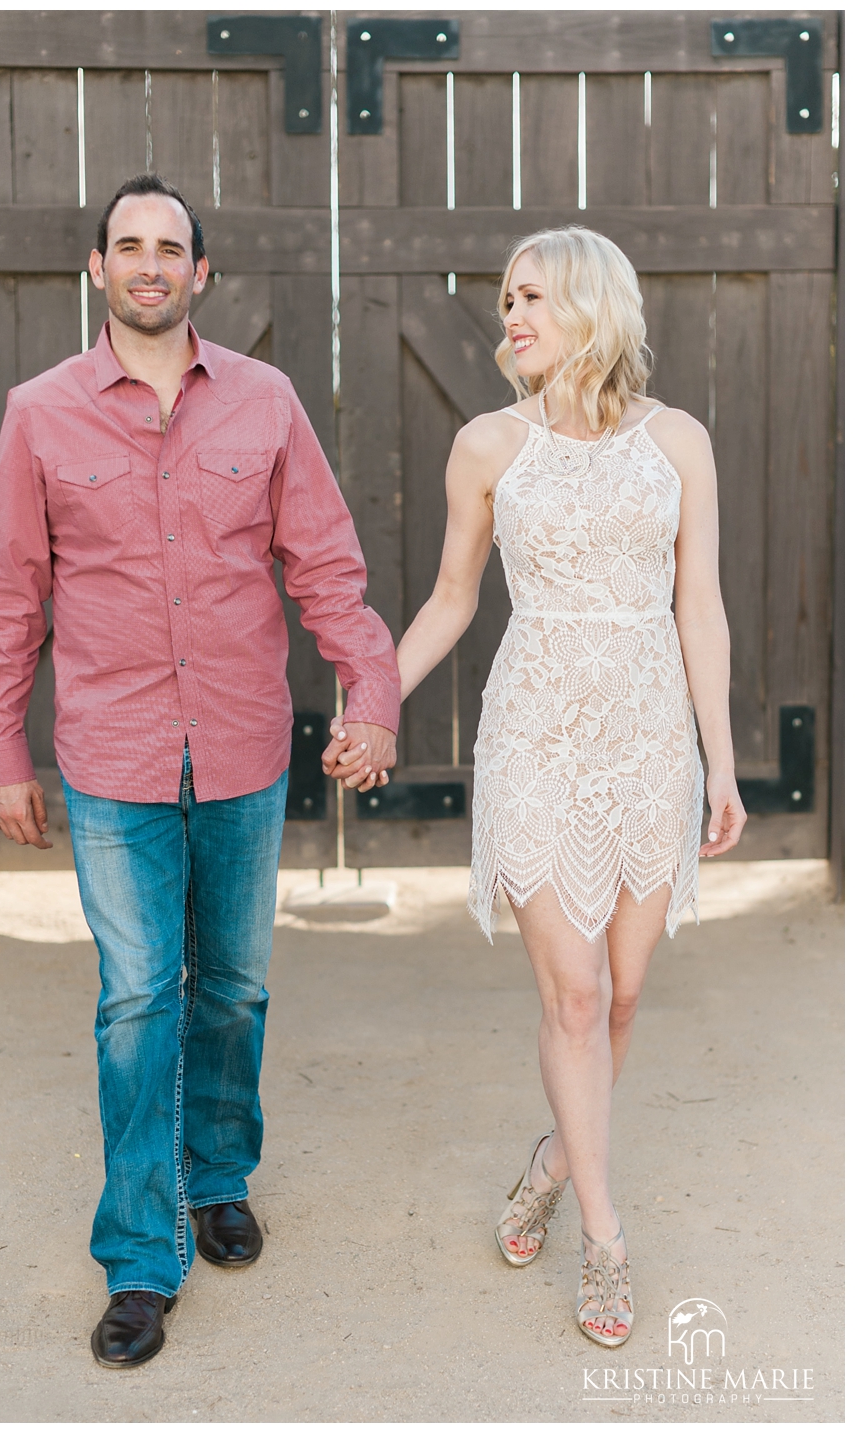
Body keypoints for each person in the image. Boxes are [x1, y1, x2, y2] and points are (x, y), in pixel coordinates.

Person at [0, 173, 398, 1368]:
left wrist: (370, 691)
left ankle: (217, 1175)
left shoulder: (265, 400)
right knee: (137, 998)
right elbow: (9, 591)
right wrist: (1, 746)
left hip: (245, 743)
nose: (150, 264)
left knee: (235, 987)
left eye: (171, 247)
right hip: (113, 757)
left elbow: (327, 564)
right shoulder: (38, 413)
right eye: (129, 246)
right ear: (98, 268)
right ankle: (140, 1257)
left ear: (200, 272)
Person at [328, 226, 746, 1346]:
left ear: (592, 305)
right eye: (505, 300)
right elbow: (452, 597)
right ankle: (604, 1236)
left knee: (622, 997)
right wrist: (375, 701)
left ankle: (557, 1158)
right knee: (573, 997)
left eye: (531, 298)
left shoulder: (680, 441)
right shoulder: (487, 445)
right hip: (535, 735)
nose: (509, 316)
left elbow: (699, 604)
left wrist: (719, 755)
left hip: (649, 736)